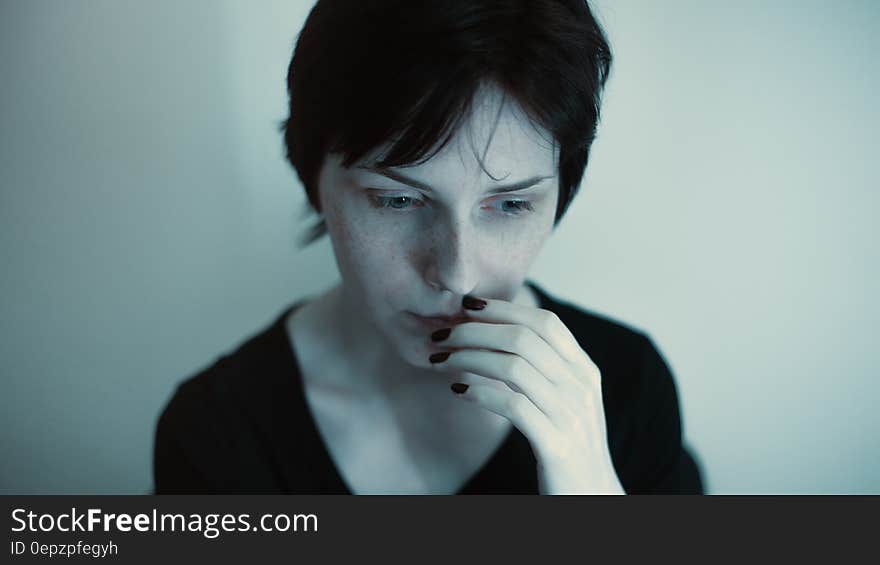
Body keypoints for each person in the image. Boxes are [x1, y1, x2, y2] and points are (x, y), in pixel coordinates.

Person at [153, 0, 703, 494]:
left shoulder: (626, 390)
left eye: (510, 205)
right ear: (312, 177)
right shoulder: (216, 430)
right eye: (397, 200)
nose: (457, 275)